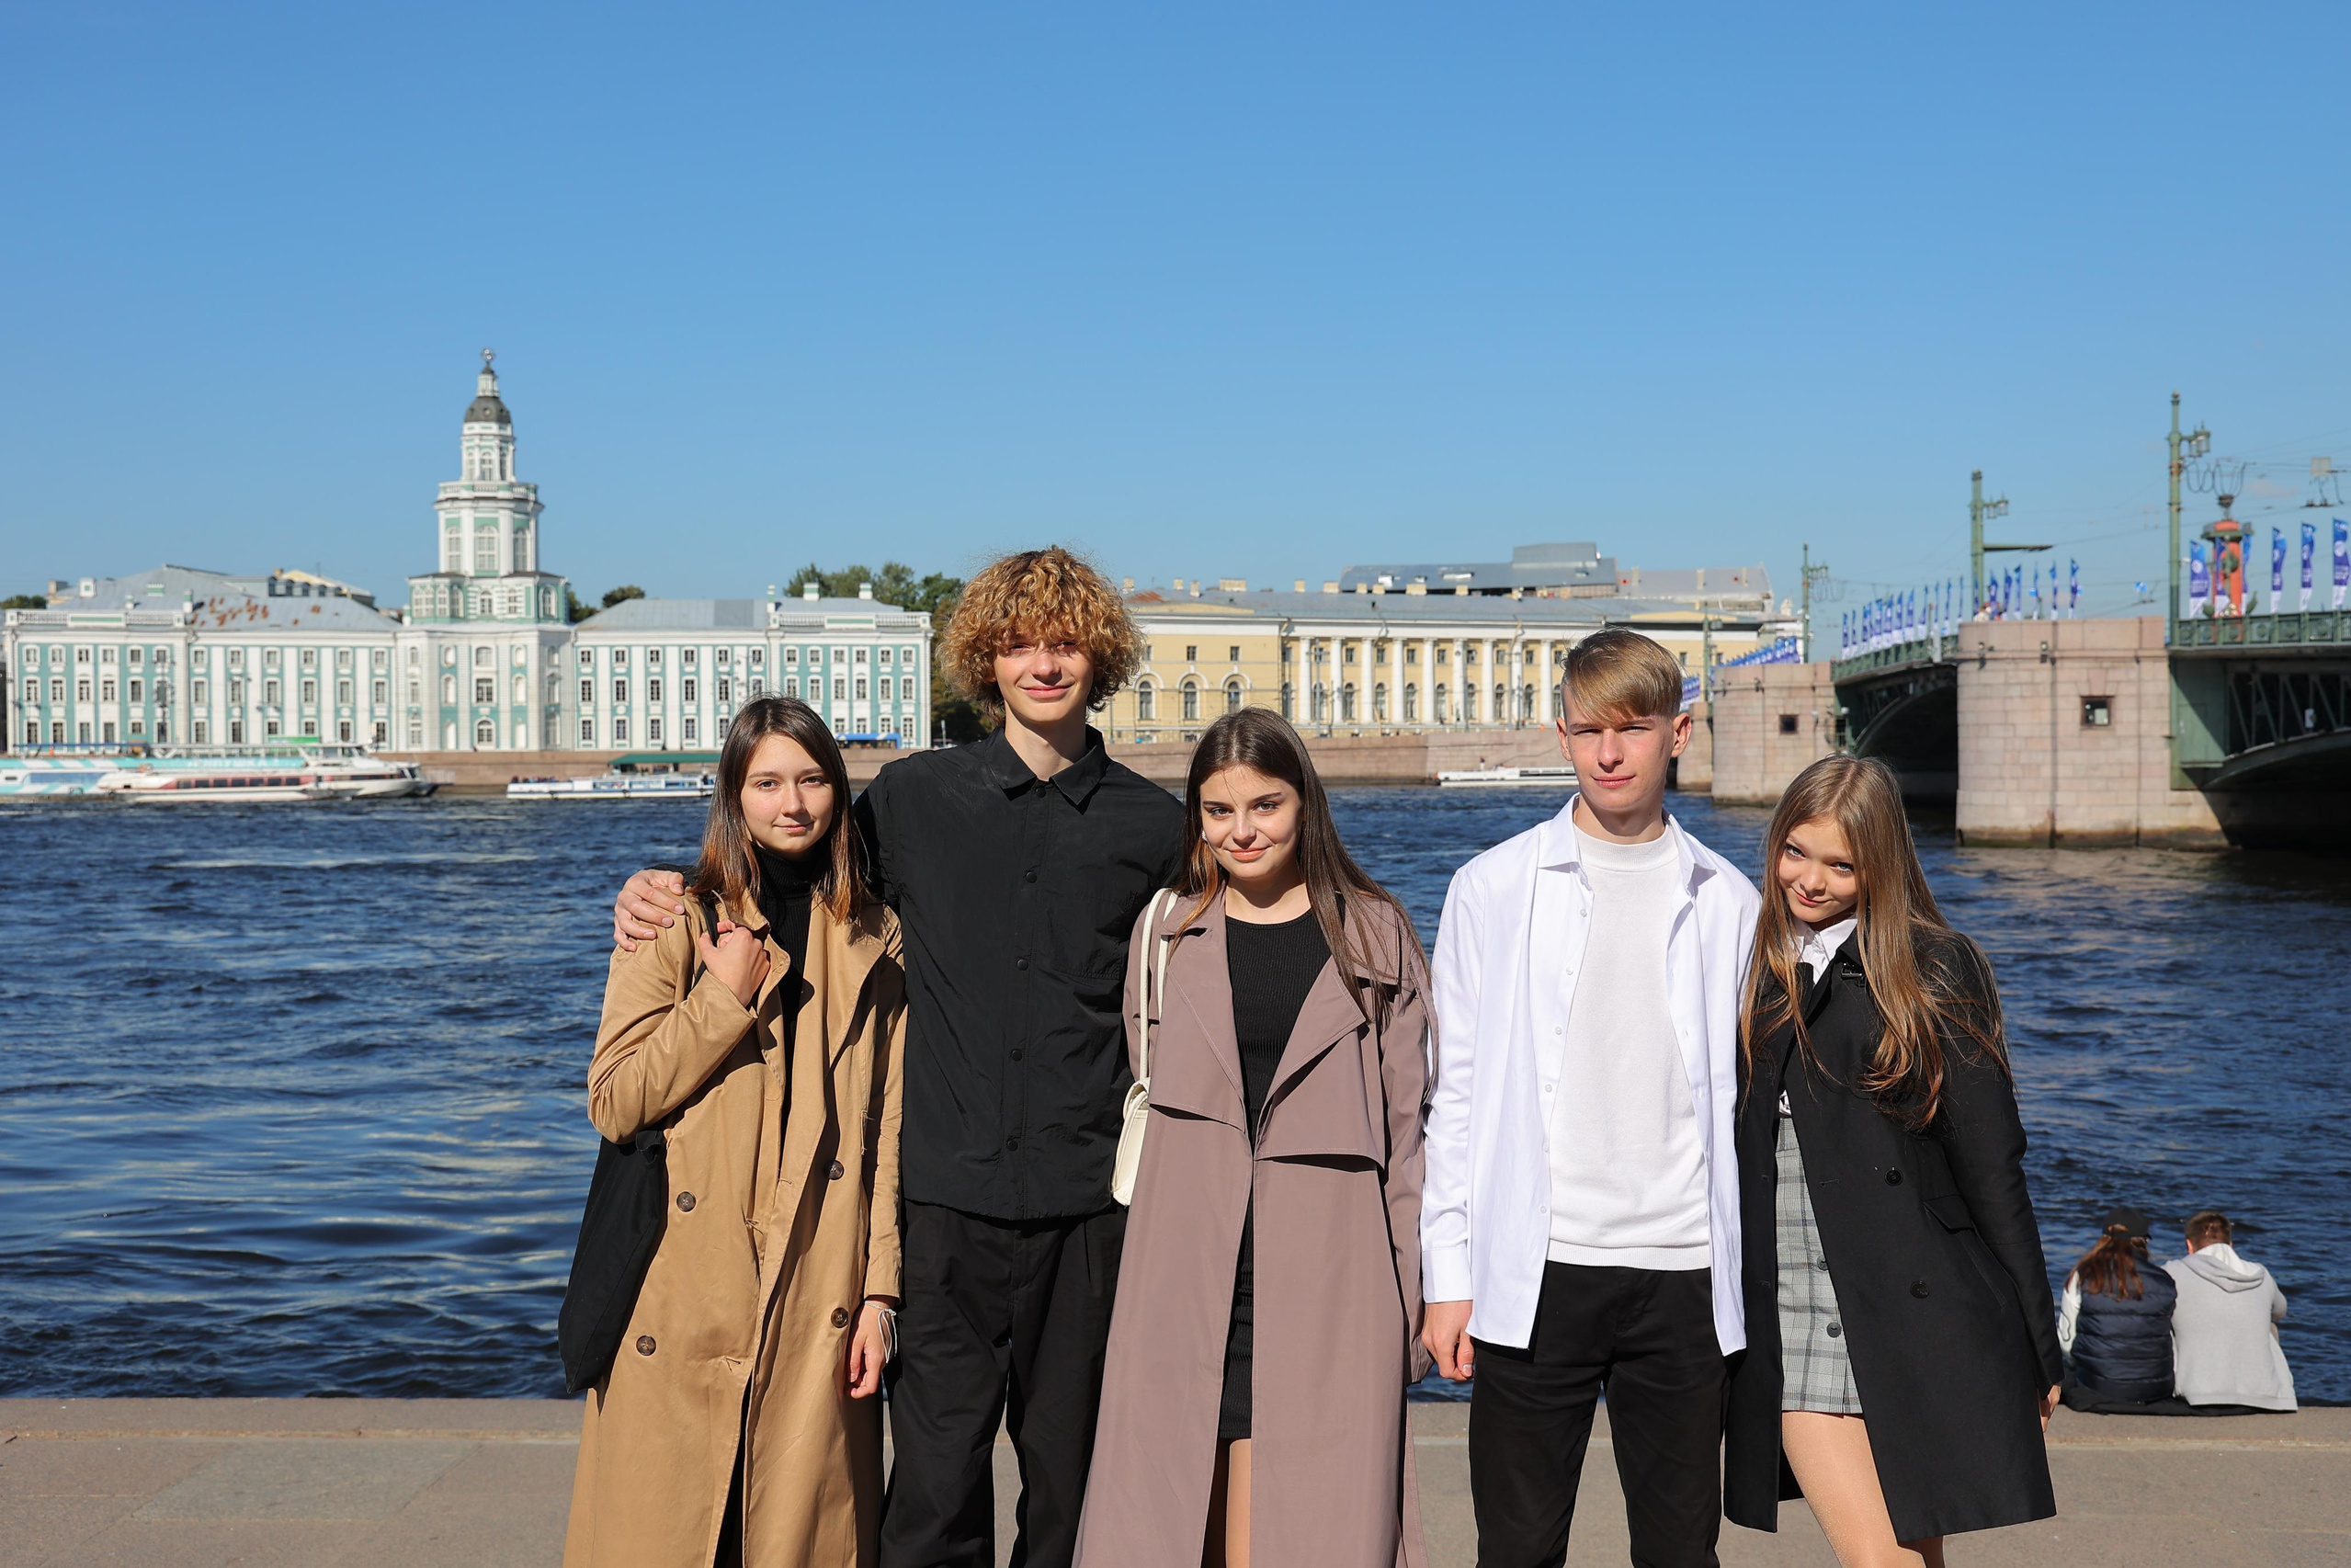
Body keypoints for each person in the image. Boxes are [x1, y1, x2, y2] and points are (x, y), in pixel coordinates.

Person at [612, 548, 1185, 1568]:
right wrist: (660, 884)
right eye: (1017, 643)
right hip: (940, 1209)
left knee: (1074, 1490)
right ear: (984, 660)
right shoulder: (912, 799)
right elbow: (787, 859)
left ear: (1098, 656)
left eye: (1062, 642)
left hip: (1091, 1209)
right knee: (930, 1497)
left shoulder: (1154, 825)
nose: (1041, 664)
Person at [1422, 628, 1756, 1568]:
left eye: (1632, 728)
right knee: (1517, 1549)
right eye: (1586, 729)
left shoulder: (1730, 901)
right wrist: (1446, 1275)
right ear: (1558, 733)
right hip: (1537, 1268)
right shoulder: (1488, 888)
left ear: (1677, 732)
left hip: (1684, 1272)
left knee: (1679, 1551)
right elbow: (1454, 1097)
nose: (1607, 752)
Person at [1074, 709, 1432, 1568]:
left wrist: (1413, 1303)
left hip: (1333, 1277)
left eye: (1265, 806)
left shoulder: (1375, 932)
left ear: (1304, 803)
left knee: (1316, 1522)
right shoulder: (1164, 933)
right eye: (1217, 810)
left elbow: (1411, 1133)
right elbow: (1147, 1075)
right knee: (1170, 1514)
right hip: (1187, 1273)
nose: (1242, 831)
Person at [564, 697, 906, 1568]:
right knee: (683, 1534)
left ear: (836, 790)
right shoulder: (676, 916)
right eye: (766, 783)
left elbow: (883, 1134)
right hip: (685, 1282)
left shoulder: (876, 937)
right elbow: (614, 1099)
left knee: (792, 1528)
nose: (791, 803)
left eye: (811, 779)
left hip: (816, 1273)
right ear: (734, 795)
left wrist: (880, 1294)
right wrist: (720, 1000)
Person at [1721, 753, 2061, 1567]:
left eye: (1842, 864)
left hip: (1915, 1308)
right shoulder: (1755, 960)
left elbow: (1992, 1163)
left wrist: (2037, 1336)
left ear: (1881, 866)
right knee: (1883, 1561)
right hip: (1797, 1304)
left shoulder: (1936, 965)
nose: (1810, 880)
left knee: (1909, 1556)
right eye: (1795, 851)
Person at [2165, 1211, 2296, 1413]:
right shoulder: (2260, 1273)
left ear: (2189, 1245)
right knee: (2268, 1324)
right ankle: (2262, 1384)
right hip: (2261, 1396)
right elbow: (2281, 1311)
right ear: (2231, 1245)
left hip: (2196, 1394)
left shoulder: (2172, 1272)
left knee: (2165, 1316)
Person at [2058, 1206, 2179, 1410]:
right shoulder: (2164, 1280)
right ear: (2144, 1240)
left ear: (2104, 1236)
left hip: (2099, 1386)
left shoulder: (2084, 1275)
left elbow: (2066, 1340)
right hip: (2156, 1389)